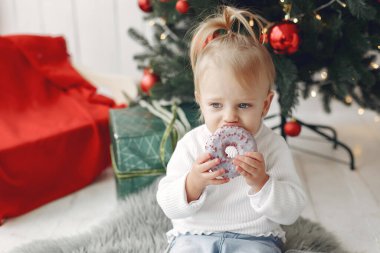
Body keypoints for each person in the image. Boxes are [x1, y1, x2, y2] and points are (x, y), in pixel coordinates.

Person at [156, 5, 307, 253]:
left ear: (265, 104)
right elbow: (167, 203)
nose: (230, 118)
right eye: (215, 105)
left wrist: (263, 183)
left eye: (244, 104)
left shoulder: (273, 146)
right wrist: (192, 183)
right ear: (200, 101)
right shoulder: (191, 144)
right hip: (195, 234)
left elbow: (291, 211)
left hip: (255, 238)